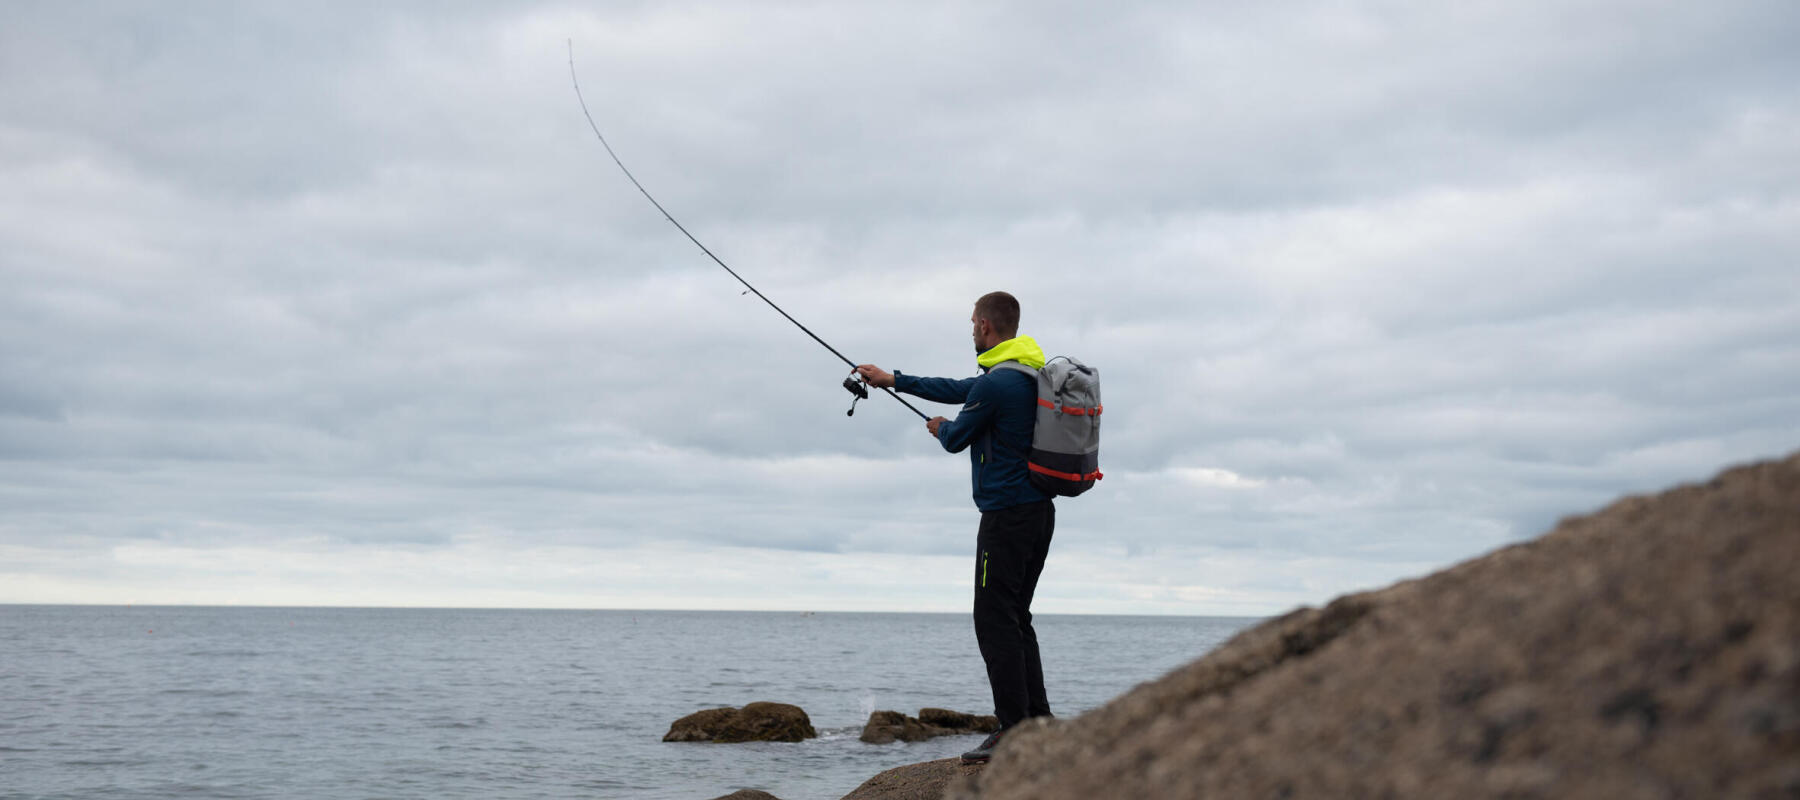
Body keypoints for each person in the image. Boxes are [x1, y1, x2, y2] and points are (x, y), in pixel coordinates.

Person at [856, 290, 1055, 764]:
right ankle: (1037, 721)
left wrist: (940, 427)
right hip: (1038, 513)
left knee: (993, 620)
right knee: (1016, 617)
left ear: (986, 326)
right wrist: (894, 380)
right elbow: (961, 387)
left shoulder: (997, 383)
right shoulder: (1026, 372)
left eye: (971, 323)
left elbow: (956, 436)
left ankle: (1012, 729)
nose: (970, 330)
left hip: (1005, 517)